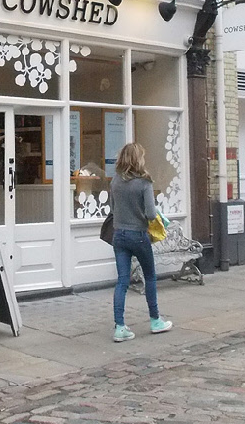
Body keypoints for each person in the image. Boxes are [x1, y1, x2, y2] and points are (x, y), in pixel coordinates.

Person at [109, 142, 172, 342]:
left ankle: (119, 327)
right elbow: (151, 213)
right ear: (138, 159)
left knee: (122, 281)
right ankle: (155, 320)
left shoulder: (115, 182)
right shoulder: (145, 182)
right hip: (138, 235)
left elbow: (112, 209)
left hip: (119, 235)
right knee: (150, 277)